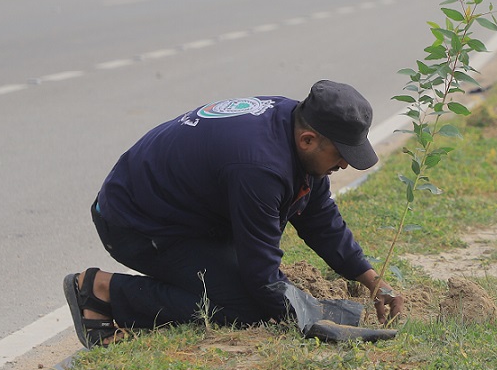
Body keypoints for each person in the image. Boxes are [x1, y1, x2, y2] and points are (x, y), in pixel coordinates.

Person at [64, 79, 404, 348]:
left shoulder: (295, 123)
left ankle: (148, 284)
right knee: (244, 306)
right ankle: (101, 290)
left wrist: (369, 278)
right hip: (134, 223)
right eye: (341, 154)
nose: (344, 163)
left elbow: (319, 217)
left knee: (241, 285)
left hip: (180, 214)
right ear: (308, 140)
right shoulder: (259, 167)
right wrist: (315, 317)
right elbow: (263, 279)